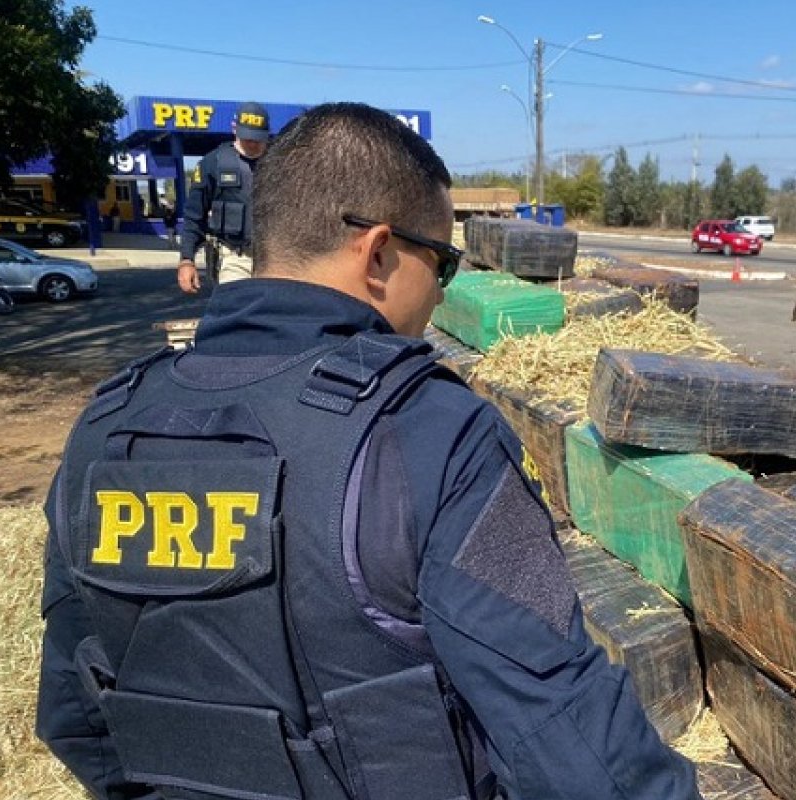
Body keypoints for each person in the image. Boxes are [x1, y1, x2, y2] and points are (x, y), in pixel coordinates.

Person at [36, 102, 699, 800]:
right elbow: (568, 737)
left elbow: (74, 714)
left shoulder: (106, 426)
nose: (441, 296)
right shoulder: (431, 429)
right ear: (379, 250)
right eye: (442, 263)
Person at [177, 101, 270, 293]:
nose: (253, 144)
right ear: (234, 129)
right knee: (236, 311)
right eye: (248, 138)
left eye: (258, 139)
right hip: (234, 257)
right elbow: (194, 216)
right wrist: (187, 260)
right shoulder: (213, 163)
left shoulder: (279, 163)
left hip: (275, 259)